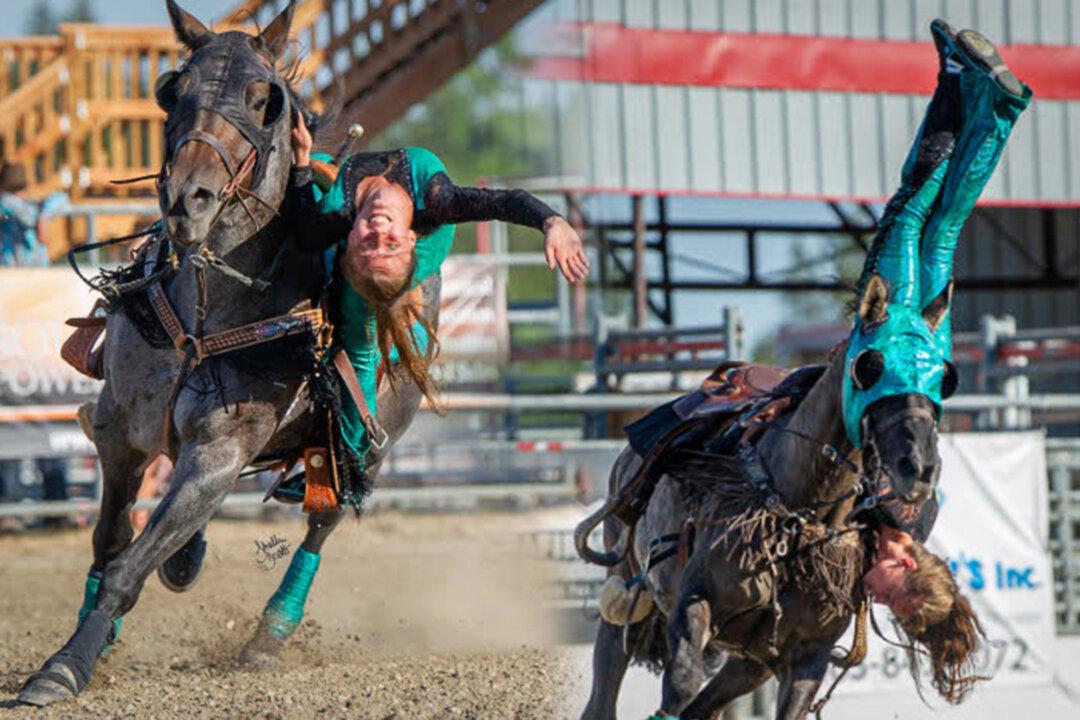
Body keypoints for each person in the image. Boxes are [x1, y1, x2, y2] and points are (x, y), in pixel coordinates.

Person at [284, 118, 589, 477]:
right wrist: (551, 221)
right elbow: (505, 202)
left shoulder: (341, 216)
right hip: (421, 248)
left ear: (350, 239)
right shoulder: (437, 201)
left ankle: (345, 465)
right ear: (408, 237)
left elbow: (306, 232)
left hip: (399, 260)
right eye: (385, 240)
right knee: (373, 302)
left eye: (373, 240)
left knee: (360, 330)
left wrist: (303, 159)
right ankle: (356, 451)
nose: (379, 229)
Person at [0, 161, 69, 267]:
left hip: (30, 268)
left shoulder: (30, 205)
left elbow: (62, 198)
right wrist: (42, 219)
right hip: (16, 269)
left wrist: (42, 219)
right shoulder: (12, 203)